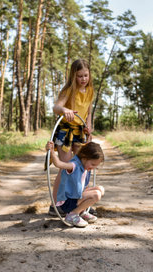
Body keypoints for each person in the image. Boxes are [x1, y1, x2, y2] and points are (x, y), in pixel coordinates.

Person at [48, 59, 96, 216]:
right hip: (66, 131)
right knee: (66, 167)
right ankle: (56, 205)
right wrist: (65, 109)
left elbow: (88, 113)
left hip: (80, 132)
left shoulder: (90, 91)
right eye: (79, 76)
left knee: (81, 168)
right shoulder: (69, 90)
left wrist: (89, 127)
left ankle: (79, 203)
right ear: (73, 76)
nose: (83, 79)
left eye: (86, 75)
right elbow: (56, 107)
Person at [46, 141, 105, 227]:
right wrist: (51, 152)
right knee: (96, 195)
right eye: (92, 164)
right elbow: (59, 164)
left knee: (100, 189)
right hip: (67, 202)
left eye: (95, 166)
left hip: (76, 197)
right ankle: (72, 215)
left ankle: (81, 211)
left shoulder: (84, 166)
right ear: (84, 157)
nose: (93, 168)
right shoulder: (74, 165)